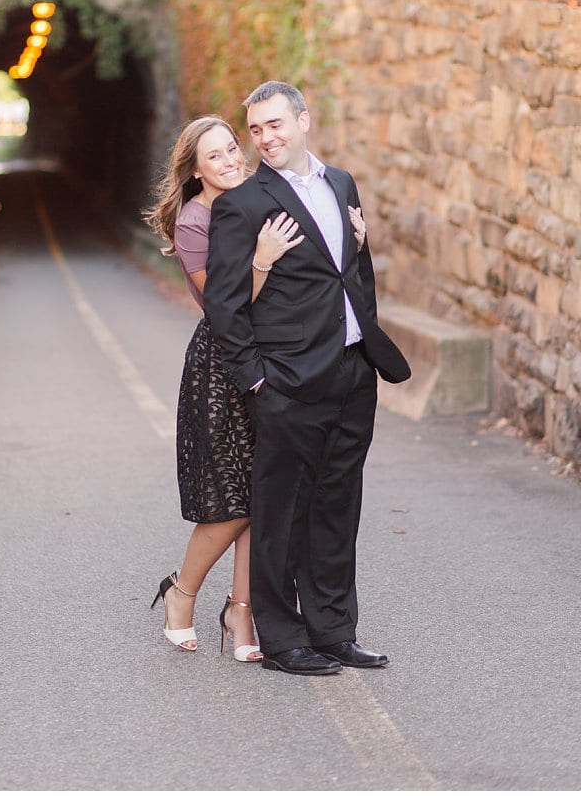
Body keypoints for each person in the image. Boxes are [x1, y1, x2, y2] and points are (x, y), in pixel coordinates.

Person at [203, 81, 411, 676]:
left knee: (338, 504)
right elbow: (223, 304)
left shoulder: (341, 184)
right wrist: (255, 380)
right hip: (286, 381)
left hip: (352, 370)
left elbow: (354, 269)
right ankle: (282, 637)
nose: (265, 139)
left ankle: (333, 630)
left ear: (303, 121)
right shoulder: (242, 204)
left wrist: (365, 338)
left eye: (276, 125)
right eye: (257, 129)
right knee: (281, 512)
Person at [142, 115, 304, 660]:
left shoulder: (255, 197)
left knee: (261, 497)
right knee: (230, 502)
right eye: (215, 156)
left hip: (269, 356)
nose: (232, 159)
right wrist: (262, 260)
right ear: (195, 170)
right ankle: (180, 594)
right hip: (221, 366)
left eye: (233, 148)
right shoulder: (195, 221)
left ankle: (242, 612)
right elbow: (223, 307)